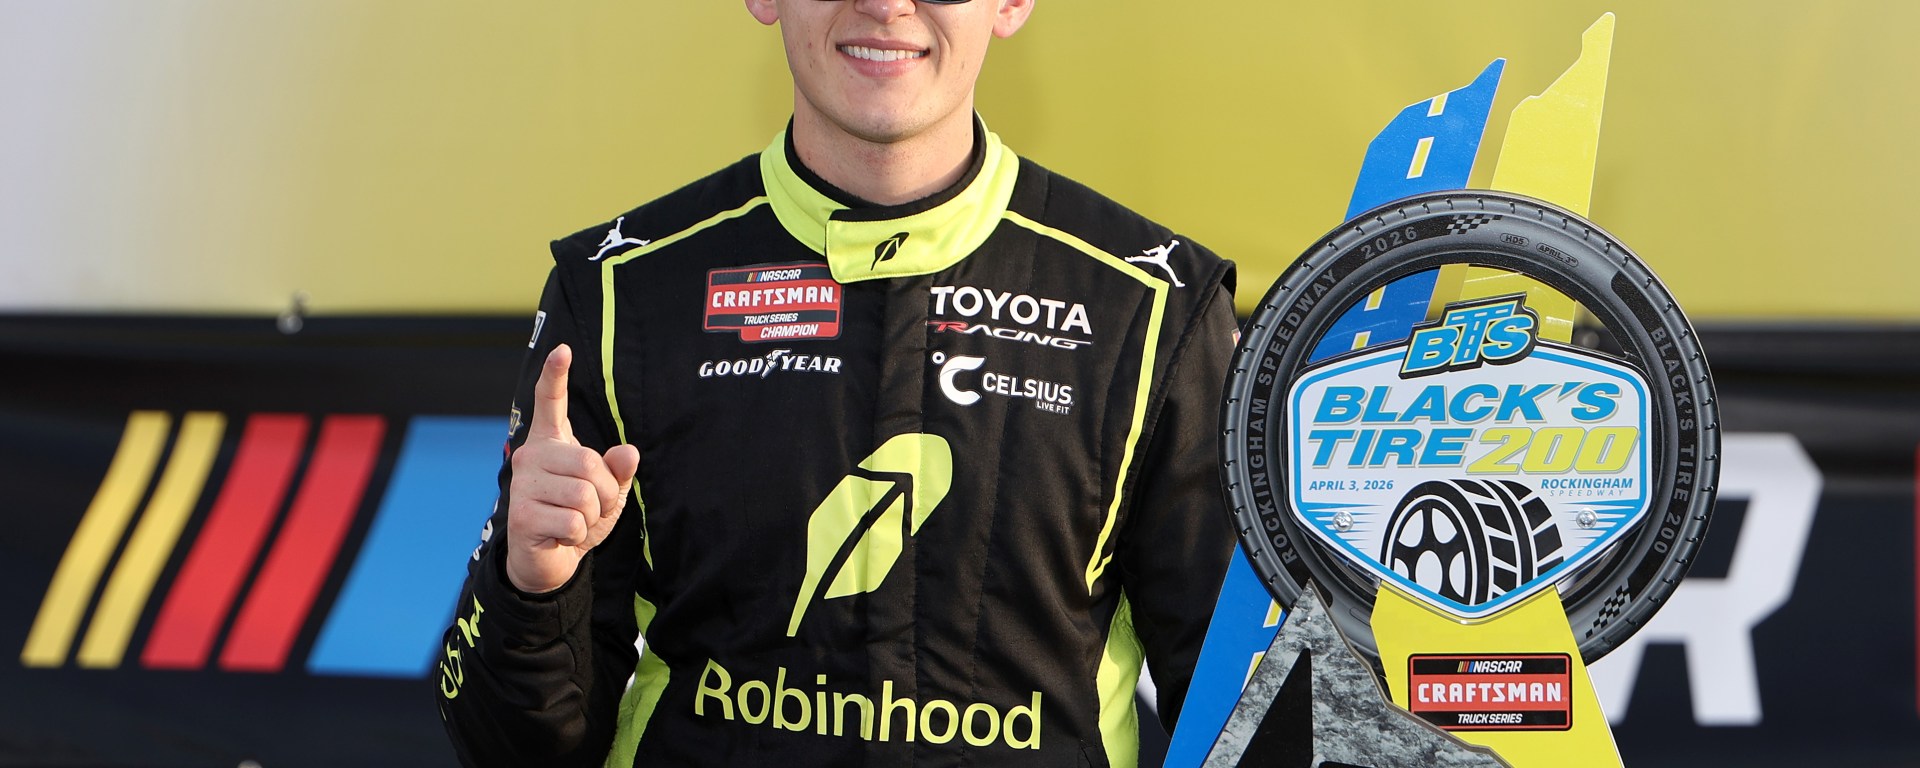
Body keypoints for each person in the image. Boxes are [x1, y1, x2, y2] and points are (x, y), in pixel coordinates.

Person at [435, 1, 1240, 765]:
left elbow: (1247, 719)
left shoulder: (1153, 308)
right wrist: (529, 588)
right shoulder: (618, 293)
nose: (885, 5)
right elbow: (510, 748)